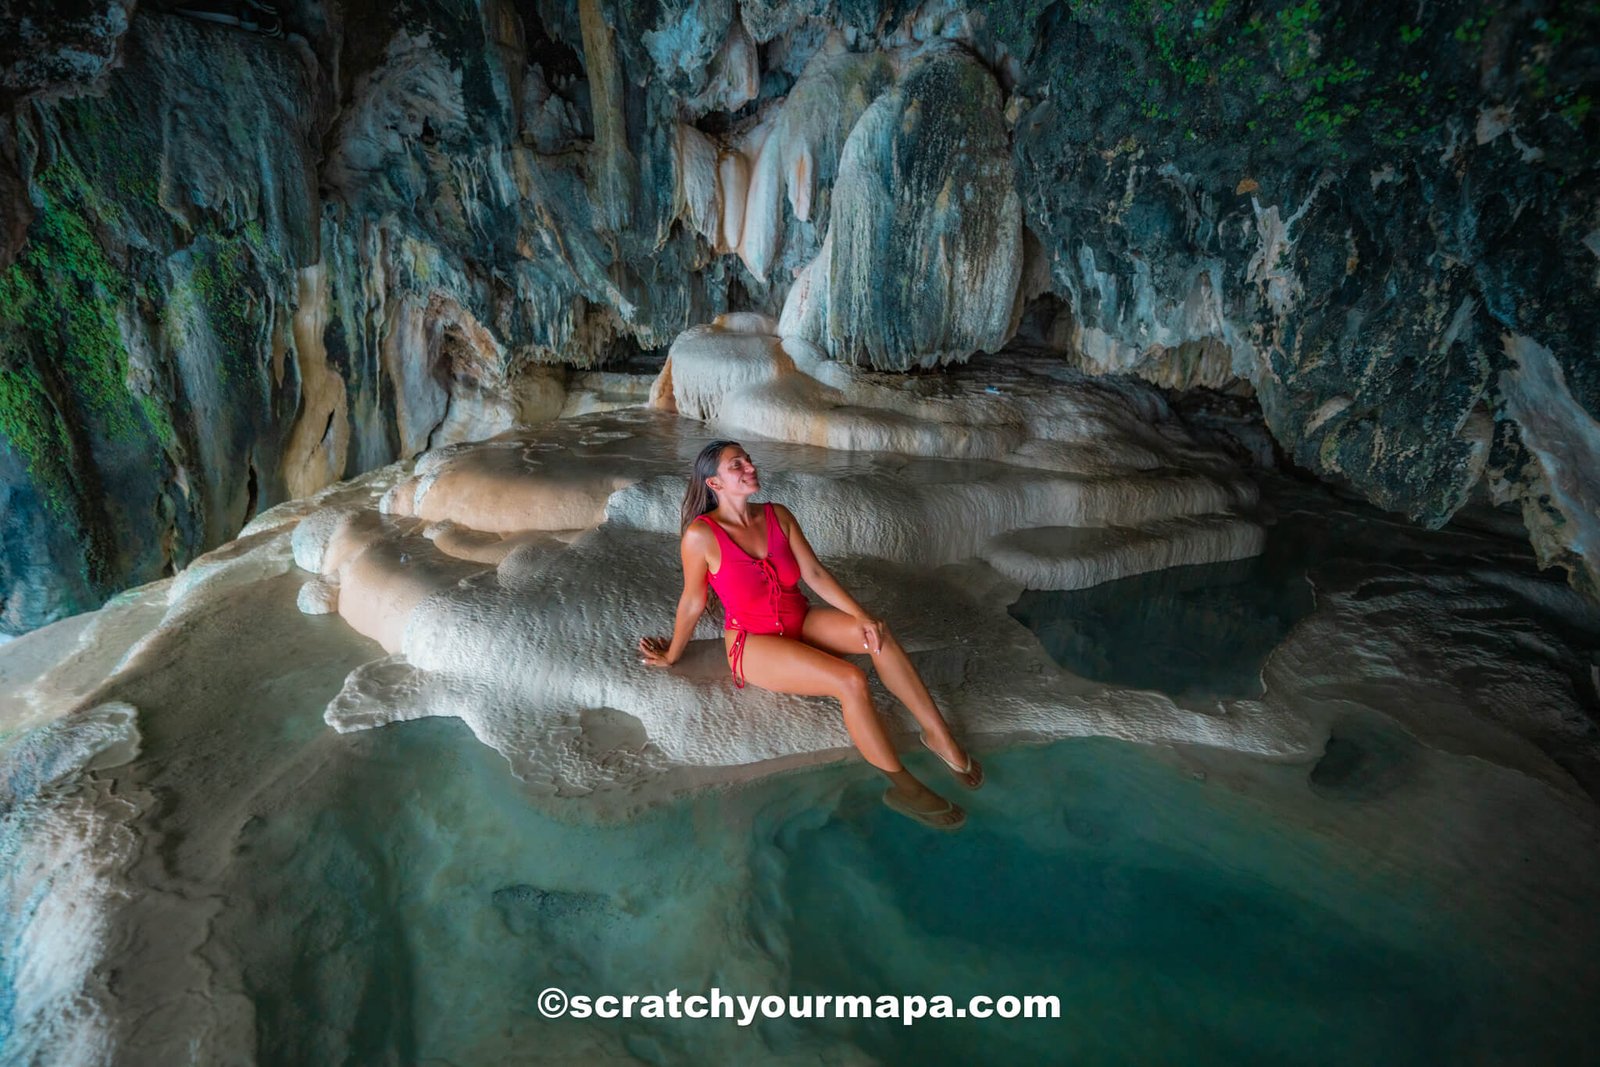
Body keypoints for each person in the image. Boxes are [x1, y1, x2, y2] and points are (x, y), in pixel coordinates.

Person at [638, 440, 983, 830]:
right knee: (849, 680)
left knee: (877, 634)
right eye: (737, 464)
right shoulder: (701, 536)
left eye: (748, 459)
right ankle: (902, 786)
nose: (750, 466)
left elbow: (814, 574)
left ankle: (938, 735)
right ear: (714, 483)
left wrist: (861, 615)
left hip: (800, 619)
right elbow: (692, 603)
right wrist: (672, 654)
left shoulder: (778, 516)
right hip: (752, 643)